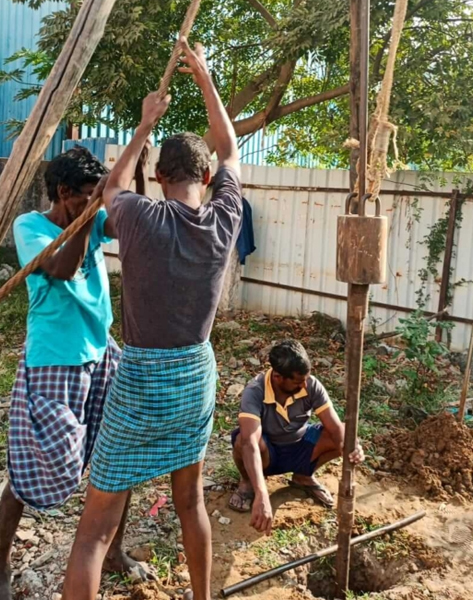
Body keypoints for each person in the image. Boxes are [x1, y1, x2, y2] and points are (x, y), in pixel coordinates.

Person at [62, 38, 242, 600]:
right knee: (190, 503)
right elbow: (230, 147)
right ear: (206, 177)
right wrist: (207, 78)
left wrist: (143, 125)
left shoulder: (138, 216)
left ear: (160, 176)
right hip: (196, 376)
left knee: (94, 530)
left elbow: (112, 187)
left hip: (141, 379)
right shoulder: (224, 218)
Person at [0, 146, 151, 600]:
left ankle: (115, 550)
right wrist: (90, 211)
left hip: (101, 353)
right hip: (54, 361)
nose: (96, 203)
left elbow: (132, 226)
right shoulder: (31, 227)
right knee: (28, 475)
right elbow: (64, 268)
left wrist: (137, 175)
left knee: (119, 459)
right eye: (87, 196)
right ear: (63, 193)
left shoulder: (89, 213)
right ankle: (0, 564)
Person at [229, 340, 365, 534]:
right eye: (297, 381)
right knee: (243, 439)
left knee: (343, 433)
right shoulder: (255, 391)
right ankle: (249, 482)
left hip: (301, 445)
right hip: (268, 454)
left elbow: (335, 428)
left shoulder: (310, 385)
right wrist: (262, 494)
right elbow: (250, 444)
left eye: (305, 379)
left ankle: (303, 476)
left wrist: (351, 448)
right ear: (278, 377)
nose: (304, 385)